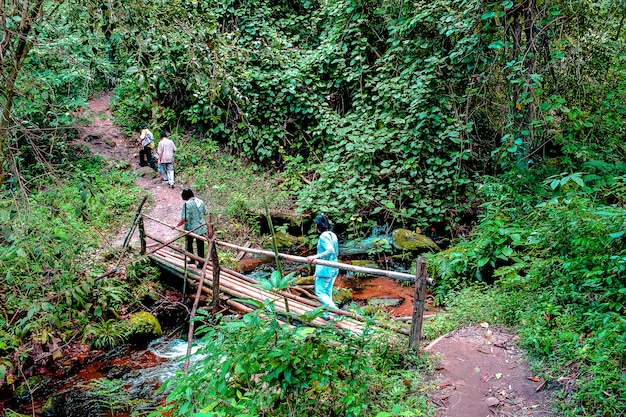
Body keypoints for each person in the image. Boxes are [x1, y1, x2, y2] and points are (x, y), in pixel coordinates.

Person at [307, 214, 339, 320]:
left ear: (318, 225)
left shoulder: (323, 236)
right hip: (334, 267)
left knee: (320, 292)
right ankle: (328, 314)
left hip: (326, 269)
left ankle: (336, 311)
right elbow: (335, 252)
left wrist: (314, 257)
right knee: (327, 292)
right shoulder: (332, 235)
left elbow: (330, 250)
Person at [174, 188, 208, 268]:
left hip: (191, 228)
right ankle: (201, 263)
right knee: (200, 246)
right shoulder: (200, 201)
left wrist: (177, 226)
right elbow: (205, 212)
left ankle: (192, 259)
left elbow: (185, 218)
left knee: (189, 244)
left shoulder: (187, 205)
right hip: (201, 227)